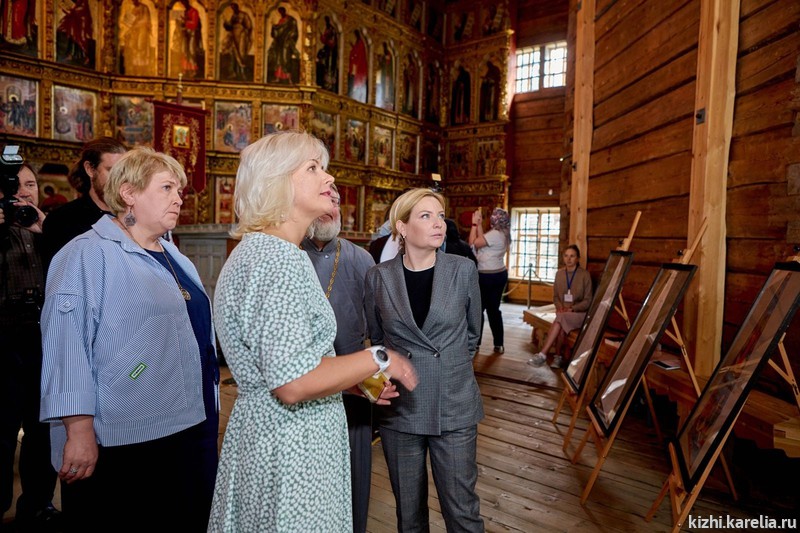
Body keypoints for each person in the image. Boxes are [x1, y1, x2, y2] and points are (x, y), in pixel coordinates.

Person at [207, 131, 418, 531]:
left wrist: (351, 382)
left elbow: (288, 364)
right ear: (277, 182)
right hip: (293, 449)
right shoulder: (277, 260)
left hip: (268, 437)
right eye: (313, 168)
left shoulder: (257, 251)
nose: (329, 177)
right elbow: (292, 383)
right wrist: (378, 357)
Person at [39, 147, 219, 532]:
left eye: (179, 190)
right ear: (129, 193)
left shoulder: (173, 254)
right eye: (167, 187)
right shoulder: (86, 254)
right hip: (124, 436)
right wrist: (79, 430)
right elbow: (66, 347)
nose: (178, 198)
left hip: (190, 424)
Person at [364, 188, 484, 533]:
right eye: (426, 216)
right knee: (409, 516)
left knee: (462, 513)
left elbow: (472, 335)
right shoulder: (378, 277)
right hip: (402, 408)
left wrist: (447, 369)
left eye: (440, 216)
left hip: (454, 405)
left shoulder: (463, 270)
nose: (439, 224)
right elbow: (376, 339)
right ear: (402, 227)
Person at [301, 184, 376, 533]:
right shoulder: (290, 253)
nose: (330, 208)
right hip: (302, 379)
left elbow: (377, 328)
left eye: (335, 202)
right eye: (323, 201)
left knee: (354, 471)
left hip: (352, 382)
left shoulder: (361, 260)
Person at [0, 164, 60, 530]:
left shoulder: (50, 228)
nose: (25, 192)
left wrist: (47, 231)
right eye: (17, 185)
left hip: (44, 338)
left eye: (31, 184)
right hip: (4, 341)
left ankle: (38, 505)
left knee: (43, 429)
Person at [41, 137, 127, 269]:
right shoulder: (62, 220)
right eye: (111, 170)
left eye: (122, 172)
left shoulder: (134, 216)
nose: (118, 179)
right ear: (90, 169)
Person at [528, 244, 593, 368]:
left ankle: (543, 355)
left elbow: (588, 301)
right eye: (566, 256)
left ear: (577, 258)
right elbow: (556, 297)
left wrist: (572, 309)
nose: (569, 259)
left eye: (572, 256)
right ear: (563, 257)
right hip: (563, 312)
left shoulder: (584, 275)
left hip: (579, 314)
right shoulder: (559, 274)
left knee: (560, 319)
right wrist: (559, 307)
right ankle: (558, 358)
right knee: (561, 321)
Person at [469, 207, 510, 354]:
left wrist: (474, 224)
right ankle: (498, 343)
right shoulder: (503, 233)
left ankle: (476, 343)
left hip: (487, 276)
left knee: (479, 310)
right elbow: (482, 241)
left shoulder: (494, 234)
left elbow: (473, 243)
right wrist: (480, 225)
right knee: (493, 310)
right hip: (498, 274)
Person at [220, 2, 253, 81]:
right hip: (234, 36)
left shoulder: (244, 15)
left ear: (237, 7)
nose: (233, 9)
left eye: (234, 7)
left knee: (241, 54)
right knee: (234, 54)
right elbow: (230, 27)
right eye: (232, 8)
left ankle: (242, 73)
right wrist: (226, 24)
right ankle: (234, 72)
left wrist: (243, 32)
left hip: (241, 37)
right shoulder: (233, 16)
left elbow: (248, 26)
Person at [267, 6, 299, 84]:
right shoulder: (281, 21)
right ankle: (278, 78)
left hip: (286, 43)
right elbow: (277, 31)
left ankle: (289, 79)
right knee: (278, 60)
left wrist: (288, 37)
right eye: (279, 12)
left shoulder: (291, 20)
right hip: (280, 43)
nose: (281, 13)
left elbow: (294, 31)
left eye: (281, 11)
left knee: (286, 60)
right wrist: (274, 27)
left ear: (284, 11)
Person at [121, 0, 154, 76]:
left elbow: (146, 20)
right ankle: (133, 70)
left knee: (141, 49)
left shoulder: (144, 8)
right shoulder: (133, 9)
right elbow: (128, 22)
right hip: (134, 34)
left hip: (142, 33)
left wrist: (135, 24)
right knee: (134, 51)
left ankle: (141, 71)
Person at [316, 15, 338, 92]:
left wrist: (326, 40)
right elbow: (324, 39)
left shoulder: (332, 30)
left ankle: (329, 84)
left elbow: (332, 42)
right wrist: (323, 38)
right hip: (327, 49)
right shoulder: (327, 29)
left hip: (331, 51)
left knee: (329, 66)